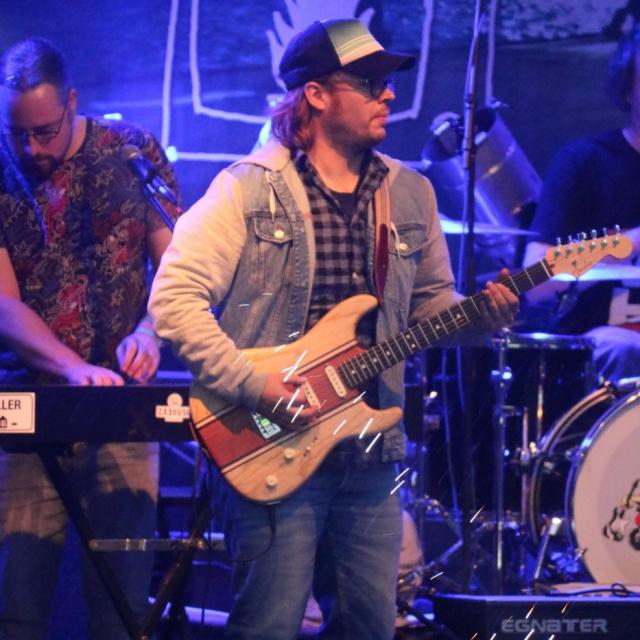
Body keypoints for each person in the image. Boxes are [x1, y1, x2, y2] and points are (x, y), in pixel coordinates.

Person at [149, 18, 518, 640]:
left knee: (369, 628)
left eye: (387, 82)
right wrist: (254, 385)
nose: (388, 94)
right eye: (369, 82)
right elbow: (174, 299)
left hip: (371, 452)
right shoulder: (247, 188)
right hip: (269, 440)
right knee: (266, 627)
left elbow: (428, 307)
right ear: (316, 94)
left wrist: (479, 318)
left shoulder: (411, 194)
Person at [0, 38, 180, 639]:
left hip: (121, 409)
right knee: (17, 607)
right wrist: (72, 367)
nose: (31, 149)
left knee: (121, 611)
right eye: (17, 133)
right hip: (26, 410)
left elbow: (178, 274)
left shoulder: (131, 151)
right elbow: (3, 303)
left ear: (72, 102)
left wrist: (151, 331)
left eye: (44, 132)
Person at [523, 23, 640, 382]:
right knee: (622, 349)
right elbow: (535, 280)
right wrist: (631, 244)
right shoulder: (585, 162)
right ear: (627, 88)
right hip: (607, 339)